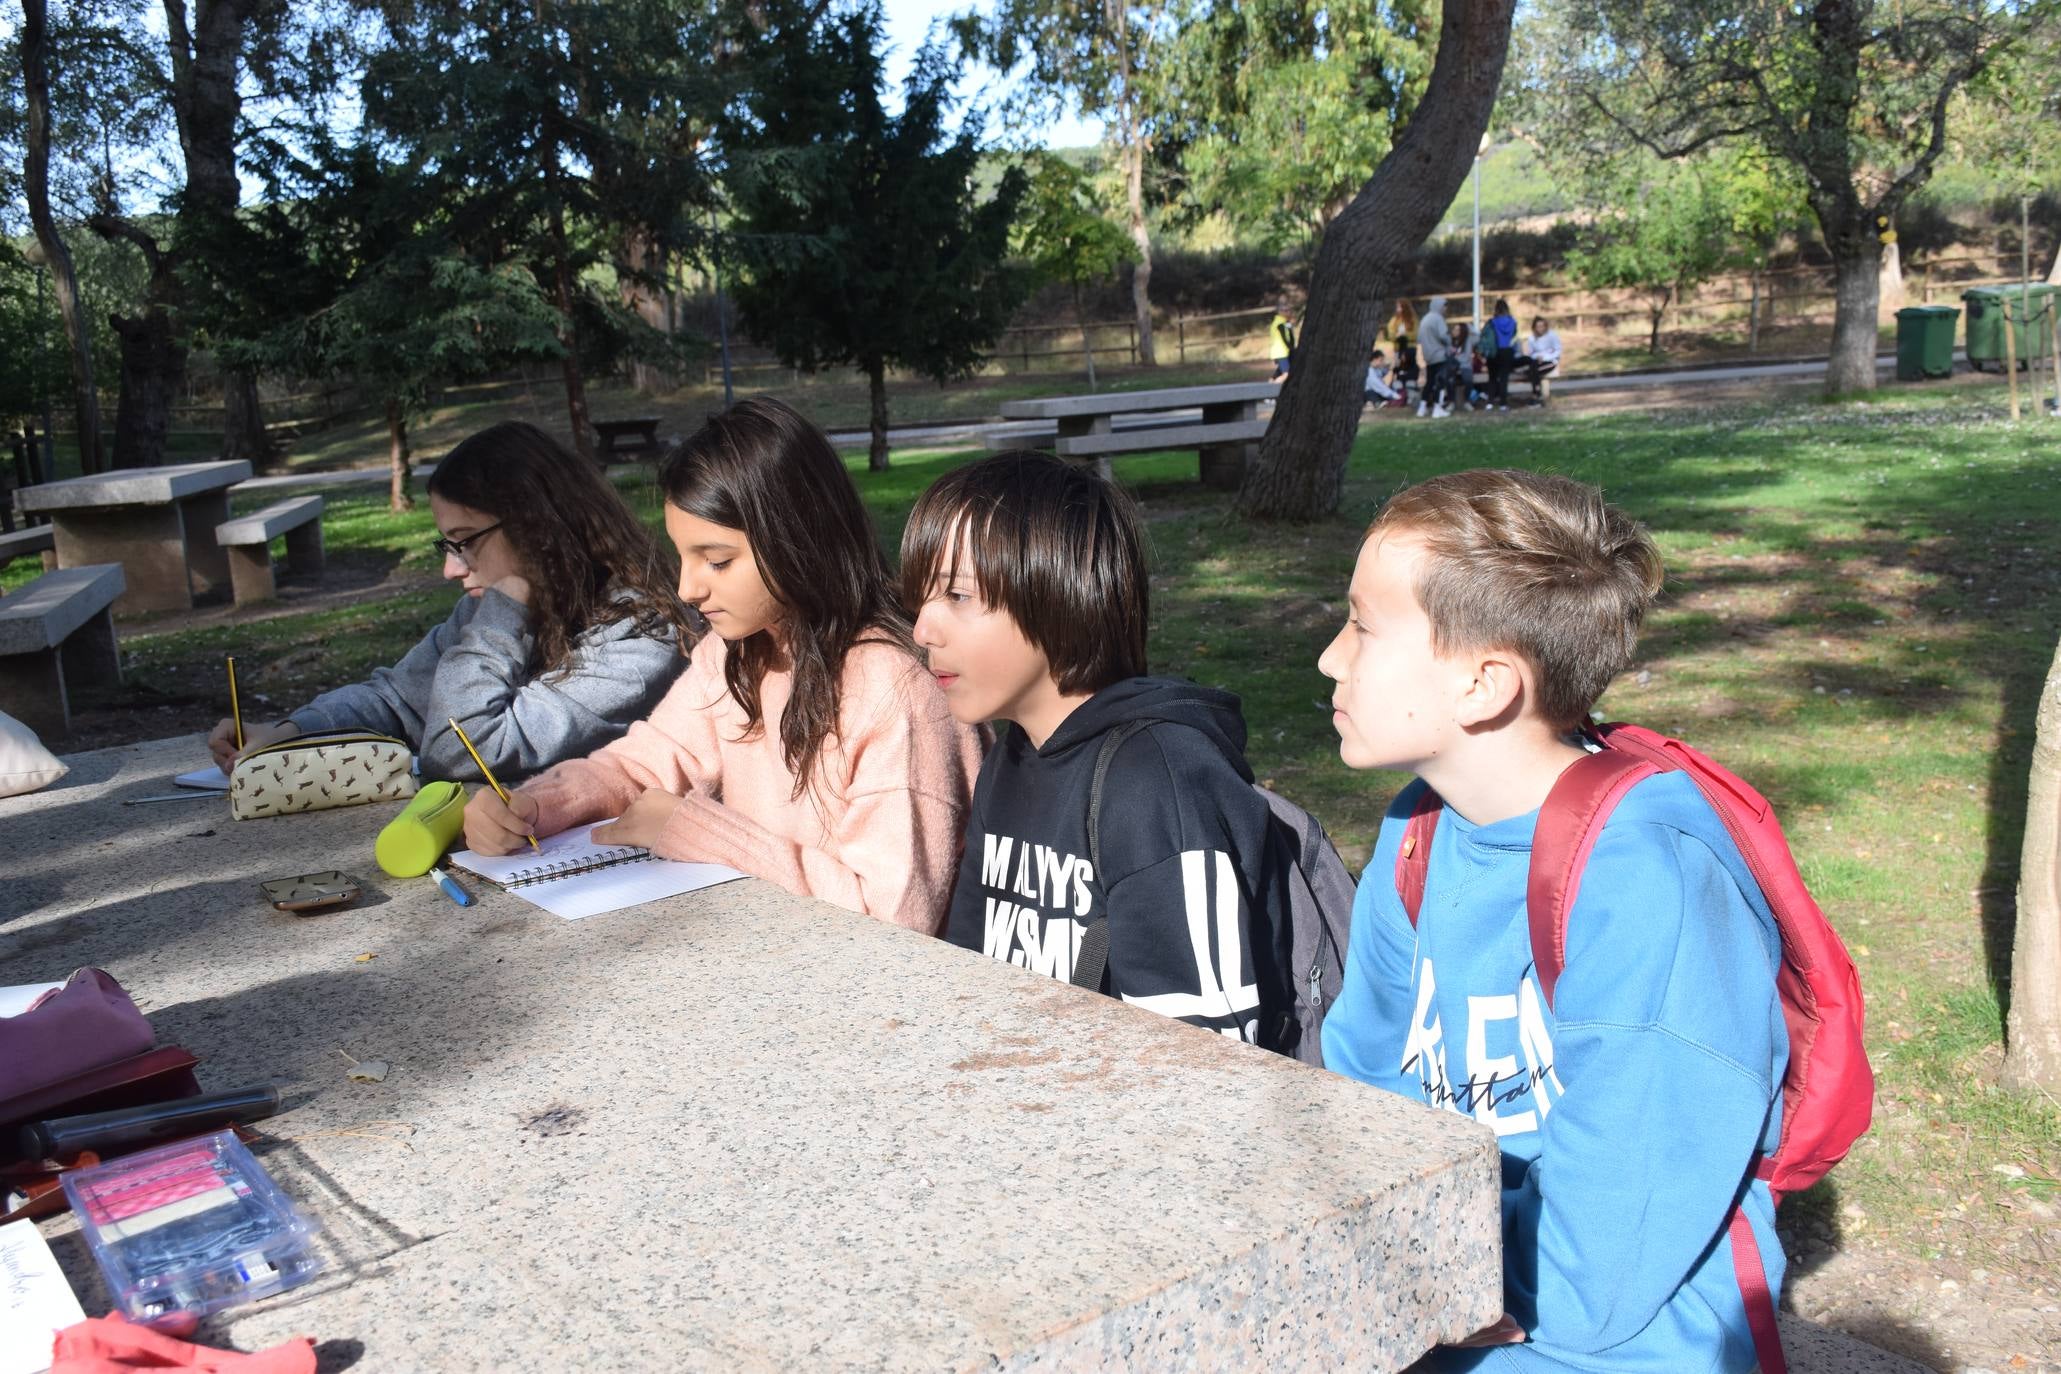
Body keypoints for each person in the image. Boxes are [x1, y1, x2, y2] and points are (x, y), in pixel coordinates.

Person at [1316, 469, 1787, 1372]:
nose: (1332, 659)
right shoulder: (1420, 827)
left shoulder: (1645, 883)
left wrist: (1459, 1276)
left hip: (1608, 1338)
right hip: (1440, 1288)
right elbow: (1359, 1088)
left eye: (1363, 628)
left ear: (1483, 686)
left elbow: (1609, 1245)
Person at [462, 397, 983, 934]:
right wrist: (530, 807)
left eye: (717, 561)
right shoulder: (737, 650)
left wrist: (698, 830)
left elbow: (891, 915)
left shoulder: (895, 688)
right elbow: (642, 764)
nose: (689, 588)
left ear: (797, 538)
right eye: (682, 556)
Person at [901, 451, 1294, 1046]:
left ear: (1060, 596)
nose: (922, 630)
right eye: (923, 598)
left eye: (957, 595)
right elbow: (968, 973)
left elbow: (1204, 1054)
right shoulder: (1011, 758)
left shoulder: (1155, 784)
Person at [207, 421, 692, 782]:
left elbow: (464, 752)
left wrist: (501, 618)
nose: (452, 569)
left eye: (465, 540)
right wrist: (287, 732)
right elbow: (396, 701)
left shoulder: (640, 631)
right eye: (447, 544)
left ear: (536, 527)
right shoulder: (499, 609)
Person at [1417, 296, 1453, 418]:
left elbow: (1419, 339)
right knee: (1441, 382)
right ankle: (1438, 408)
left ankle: (1422, 408)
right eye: (1444, 306)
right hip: (1439, 354)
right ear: (1439, 306)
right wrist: (1449, 341)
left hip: (1428, 355)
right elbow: (1443, 335)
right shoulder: (1438, 319)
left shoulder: (1424, 319)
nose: (1445, 309)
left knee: (1429, 382)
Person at [1484, 298, 1521, 410]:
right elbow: (1514, 337)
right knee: (1504, 377)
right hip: (1507, 351)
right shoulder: (1512, 322)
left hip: (1494, 351)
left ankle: (1490, 402)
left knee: (1492, 377)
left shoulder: (1492, 322)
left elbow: (1486, 336)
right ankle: (1503, 403)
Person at [1524, 316, 1562, 403]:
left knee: (1533, 371)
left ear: (1545, 326)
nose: (1540, 329)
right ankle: (1536, 394)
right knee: (1533, 368)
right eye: (1538, 326)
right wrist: (1537, 356)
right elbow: (1531, 353)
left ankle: (1536, 394)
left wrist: (1545, 357)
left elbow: (1557, 351)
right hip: (1537, 362)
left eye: (1542, 326)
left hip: (1551, 361)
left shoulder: (1552, 335)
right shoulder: (1532, 338)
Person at [1267, 300, 1298, 381]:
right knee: (1286, 374)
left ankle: (1270, 384)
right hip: (1280, 353)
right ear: (1279, 312)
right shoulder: (1279, 323)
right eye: (1285, 311)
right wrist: (1291, 347)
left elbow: (1290, 336)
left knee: (1278, 373)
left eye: (1289, 310)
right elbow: (1284, 337)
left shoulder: (1285, 322)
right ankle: (1273, 388)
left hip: (1284, 352)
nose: (1288, 312)